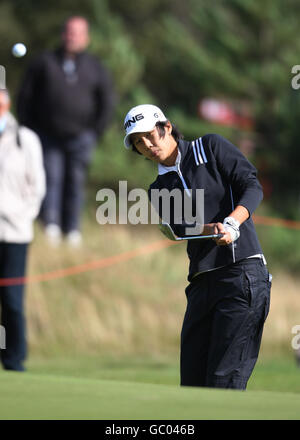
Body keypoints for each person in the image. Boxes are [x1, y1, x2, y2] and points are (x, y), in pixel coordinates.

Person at [123, 104, 272, 390]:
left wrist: (231, 223)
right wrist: (211, 229)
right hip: (202, 284)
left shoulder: (209, 148)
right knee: (192, 385)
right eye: (138, 142)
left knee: (222, 383)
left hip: (241, 275)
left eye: (149, 135)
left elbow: (252, 186)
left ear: (166, 127)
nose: (147, 145)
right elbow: (182, 228)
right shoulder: (159, 189)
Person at [17, 16, 115, 246]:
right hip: (47, 136)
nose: (72, 37)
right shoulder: (44, 62)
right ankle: (49, 227)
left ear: (86, 38)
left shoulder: (95, 66)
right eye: (69, 32)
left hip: (81, 138)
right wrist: (29, 133)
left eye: (77, 33)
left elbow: (107, 102)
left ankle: (72, 230)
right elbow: (26, 98)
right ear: (63, 34)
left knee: (75, 182)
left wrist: (95, 132)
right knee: (50, 180)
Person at [0, 89, 46, 371]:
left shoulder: (24, 139)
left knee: (12, 302)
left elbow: (37, 188)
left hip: (15, 234)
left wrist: (21, 217)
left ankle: (14, 360)